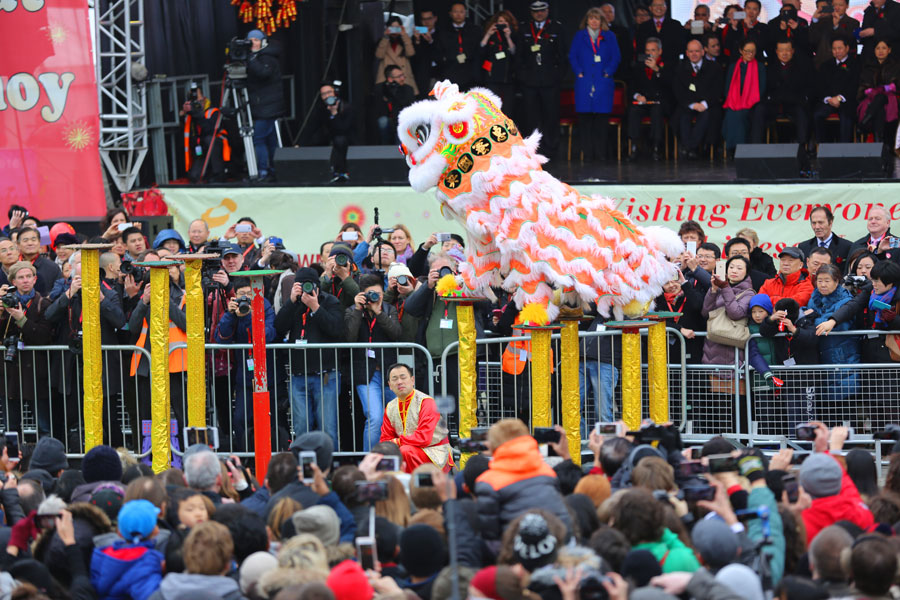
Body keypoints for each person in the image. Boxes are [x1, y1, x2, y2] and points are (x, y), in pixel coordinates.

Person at [274, 267, 346, 444]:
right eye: (301, 285)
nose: (306, 289)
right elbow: (279, 327)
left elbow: (336, 329)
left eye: (309, 285)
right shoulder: (294, 304)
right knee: (301, 426)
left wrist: (315, 307)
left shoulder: (331, 302)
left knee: (327, 427)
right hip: (298, 375)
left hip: (325, 375)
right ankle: (303, 466)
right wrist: (290, 302)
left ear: (317, 286)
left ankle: (329, 466)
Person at [473, 419, 571, 539]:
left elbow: (489, 534)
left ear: (492, 446)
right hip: (557, 543)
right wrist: (566, 456)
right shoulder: (548, 472)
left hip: (514, 549)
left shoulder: (488, 482)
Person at [214, 280, 276, 450]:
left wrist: (249, 315)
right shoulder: (234, 310)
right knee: (240, 420)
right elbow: (221, 338)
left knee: (267, 420)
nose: (246, 298)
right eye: (242, 294)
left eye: (249, 294)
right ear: (235, 295)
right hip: (245, 377)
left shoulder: (265, 306)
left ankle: (267, 455)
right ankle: (245, 456)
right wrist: (229, 314)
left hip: (267, 376)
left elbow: (268, 334)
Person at [346, 274, 402, 451]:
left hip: (390, 373)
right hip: (366, 375)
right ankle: (370, 461)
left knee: (399, 418)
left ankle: (401, 459)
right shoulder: (353, 310)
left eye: (378, 294)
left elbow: (397, 334)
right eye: (371, 294)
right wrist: (357, 309)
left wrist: (379, 312)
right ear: (362, 294)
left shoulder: (388, 309)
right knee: (375, 417)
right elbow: (349, 338)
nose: (375, 298)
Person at [0, 262, 53, 436]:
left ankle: (46, 462)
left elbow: (44, 336)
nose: (25, 281)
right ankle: (13, 461)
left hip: (36, 374)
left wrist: (21, 319)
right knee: (11, 428)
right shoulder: (5, 304)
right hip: (10, 374)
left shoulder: (43, 303)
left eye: (28, 276)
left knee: (44, 426)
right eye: (21, 277)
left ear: (35, 279)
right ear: (13, 281)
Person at [517, 1, 567, 161]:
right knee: (531, 117)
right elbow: (519, 56)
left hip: (550, 81)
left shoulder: (557, 28)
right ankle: (533, 150)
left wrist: (557, 76)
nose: (539, 13)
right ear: (531, 12)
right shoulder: (524, 28)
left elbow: (563, 56)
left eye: (542, 10)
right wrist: (522, 76)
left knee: (551, 116)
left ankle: (551, 150)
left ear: (547, 11)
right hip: (529, 81)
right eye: (536, 11)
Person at [379, 363, 452, 473]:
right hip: (408, 450)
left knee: (405, 451)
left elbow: (424, 438)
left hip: (434, 451)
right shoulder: (390, 407)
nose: (399, 382)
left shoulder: (426, 402)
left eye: (403, 377)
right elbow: (385, 439)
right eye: (395, 379)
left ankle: (412, 487)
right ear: (389, 385)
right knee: (383, 453)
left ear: (412, 380)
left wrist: (397, 442)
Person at [569, 7, 620, 162]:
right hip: (584, 82)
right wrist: (578, 72)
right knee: (585, 121)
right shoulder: (580, 36)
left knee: (601, 122)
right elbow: (572, 56)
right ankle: (588, 155)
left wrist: (608, 72)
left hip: (602, 82)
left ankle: (600, 154)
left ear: (602, 21)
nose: (594, 21)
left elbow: (616, 57)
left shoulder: (609, 36)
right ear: (587, 20)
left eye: (597, 18)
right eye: (591, 18)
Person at [701, 255, 754, 367]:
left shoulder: (749, 293)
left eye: (739, 268)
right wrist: (714, 290)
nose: (734, 271)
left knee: (736, 383)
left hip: (732, 347)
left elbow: (735, 313)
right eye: (731, 267)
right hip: (712, 348)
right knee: (715, 383)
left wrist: (725, 287)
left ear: (746, 272)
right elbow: (706, 313)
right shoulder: (719, 288)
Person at [246, 29, 284, 182]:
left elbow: (263, 73)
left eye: (256, 40)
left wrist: (252, 59)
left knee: (259, 139)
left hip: (267, 107)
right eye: (251, 40)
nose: (253, 43)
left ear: (263, 41)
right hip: (264, 105)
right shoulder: (258, 57)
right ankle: (274, 170)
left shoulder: (267, 58)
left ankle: (263, 170)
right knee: (270, 139)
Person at [673, 40, 723, 159]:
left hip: (708, 104)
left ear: (702, 52)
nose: (694, 54)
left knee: (707, 115)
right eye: (691, 51)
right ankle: (690, 147)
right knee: (683, 116)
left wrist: (705, 104)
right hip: (688, 104)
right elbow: (678, 91)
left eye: (696, 51)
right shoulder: (680, 68)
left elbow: (718, 90)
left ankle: (689, 147)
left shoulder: (714, 67)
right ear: (686, 53)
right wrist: (692, 104)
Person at [627, 38, 671, 161]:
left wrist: (657, 69)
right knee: (634, 110)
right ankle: (634, 146)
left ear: (660, 51)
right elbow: (632, 86)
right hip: (643, 102)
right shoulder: (639, 66)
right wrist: (637, 96)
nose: (650, 53)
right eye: (647, 50)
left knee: (657, 111)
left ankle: (656, 147)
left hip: (659, 102)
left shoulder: (667, 65)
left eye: (653, 50)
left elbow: (670, 84)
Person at [764, 39, 811, 152]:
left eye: (787, 50)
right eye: (781, 50)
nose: (784, 53)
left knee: (802, 111)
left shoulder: (802, 67)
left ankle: (802, 148)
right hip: (775, 104)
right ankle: (757, 148)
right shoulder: (770, 68)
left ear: (793, 51)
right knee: (760, 110)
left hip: (794, 103)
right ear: (776, 52)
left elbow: (808, 88)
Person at [813, 35, 861, 144]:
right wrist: (828, 98)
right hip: (829, 101)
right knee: (817, 115)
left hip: (846, 101)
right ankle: (823, 147)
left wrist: (839, 98)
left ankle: (845, 150)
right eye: (834, 49)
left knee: (846, 117)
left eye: (840, 48)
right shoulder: (825, 65)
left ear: (847, 48)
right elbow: (820, 86)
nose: (837, 51)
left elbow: (855, 85)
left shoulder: (855, 64)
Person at [722, 39, 766, 158]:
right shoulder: (733, 67)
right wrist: (734, 100)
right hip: (735, 101)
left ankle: (741, 150)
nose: (750, 54)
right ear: (740, 51)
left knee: (741, 114)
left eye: (753, 51)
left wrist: (748, 101)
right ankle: (732, 148)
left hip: (752, 102)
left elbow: (761, 88)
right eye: (747, 51)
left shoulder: (760, 67)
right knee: (731, 113)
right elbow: (727, 88)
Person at [179, 84, 228, 183]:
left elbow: (210, 130)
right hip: (200, 148)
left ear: (204, 98)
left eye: (197, 96)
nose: (196, 100)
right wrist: (183, 115)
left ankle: (218, 173)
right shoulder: (190, 114)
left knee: (210, 140)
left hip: (215, 144)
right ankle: (205, 173)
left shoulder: (212, 111)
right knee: (194, 176)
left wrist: (198, 114)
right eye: (192, 97)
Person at [307, 82, 353, 184]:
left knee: (340, 140)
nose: (327, 96)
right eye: (324, 94)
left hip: (346, 139)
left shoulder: (346, 107)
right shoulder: (321, 108)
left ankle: (342, 172)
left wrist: (334, 113)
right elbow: (312, 126)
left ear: (335, 93)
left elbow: (343, 129)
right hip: (329, 137)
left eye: (329, 92)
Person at [857, 39, 900, 143]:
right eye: (878, 48)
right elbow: (863, 86)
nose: (881, 51)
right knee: (879, 105)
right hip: (871, 99)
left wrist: (888, 88)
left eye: (884, 48)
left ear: (889, 50)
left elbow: (897, 84)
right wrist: (869, 90)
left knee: (881, 98)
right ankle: (879, 142)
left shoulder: (896, 66)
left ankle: (864, 123)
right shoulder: (868, 66)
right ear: (874, 50)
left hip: (891, 98)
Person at [435, 2, 481, 91]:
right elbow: (438, 52)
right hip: (450, 72)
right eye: (455, 12)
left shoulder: (475, 30)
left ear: (466, 13)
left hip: (471, 73)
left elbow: (479, 51)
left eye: (461, 12)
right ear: (450, 13)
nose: (458, 15)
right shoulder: (443, 31)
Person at [479, 11, 518, 113]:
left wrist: (508, 37)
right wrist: (488, 34)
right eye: (500, 21)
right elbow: (481, 51)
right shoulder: (490, 34)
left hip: (508, 78)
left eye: (505, 21)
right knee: (492, 108)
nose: (502, 24)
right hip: (492, 77)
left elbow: (515, 52)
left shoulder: (514, 34)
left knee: (508, 108)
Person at [375, 17, 418, 95]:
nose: (394, 31)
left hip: (403, 77)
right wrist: (386, 37)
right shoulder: (383, 41)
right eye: (392, 28)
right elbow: (379, 55)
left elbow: (411, 53)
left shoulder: (405, 41)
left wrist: (404, 35)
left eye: (397, 28)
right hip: (388, 77)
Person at [810, 0, 859, 68]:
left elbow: (850, 41)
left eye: (840, 5)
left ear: (847, 6)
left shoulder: (853, 23)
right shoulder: (823, 20)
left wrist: (837, 26)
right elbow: (813, 39)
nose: (837, 8)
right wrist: (815, 20)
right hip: (823, 62)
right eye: (834, 5)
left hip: (844, 63)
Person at [374, 65, 416, 145]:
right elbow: (378, 110)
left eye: (403, 75)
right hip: (387, 119)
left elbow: (409, 107)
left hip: (401, 120)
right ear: (390, 79)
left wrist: (397, 93)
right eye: (399, 76)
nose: (403, 78)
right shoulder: (380, 89)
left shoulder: (408, 89)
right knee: (382, 121)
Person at [635, 0, 686, 66]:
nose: (659, 7)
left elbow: (681, 47)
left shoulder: (675, 25)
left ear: (666, 7)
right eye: (655, 5)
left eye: (661, 5)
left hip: (671, 66)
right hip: (648, 66)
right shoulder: (643, 27)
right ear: (650, 8)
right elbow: (640, 49)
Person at [16, 226, 62, 296]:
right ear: (18, 245)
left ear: (39, 242)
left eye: (33, 240)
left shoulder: (52, 267)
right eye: (25, 240)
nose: (30, 243)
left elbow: (58, 293)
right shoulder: (12, 266)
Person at [600, 4, 633, 79]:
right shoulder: (592, 31)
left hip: (619, 70)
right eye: (604, 12)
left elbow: (627, 52)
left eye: (610, 12)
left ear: (614, 14)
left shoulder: (623, 31)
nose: (607, 14)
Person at [412, 10, 439, 97]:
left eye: (429, 19)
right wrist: (417, 41)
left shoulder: (441, 33)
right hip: (423, 76)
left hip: (440, 73)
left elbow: (443, 54)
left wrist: (431, 41)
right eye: (424, 19)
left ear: (435, 19)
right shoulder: (417, 37)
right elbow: (414, 58)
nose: (427, 22)